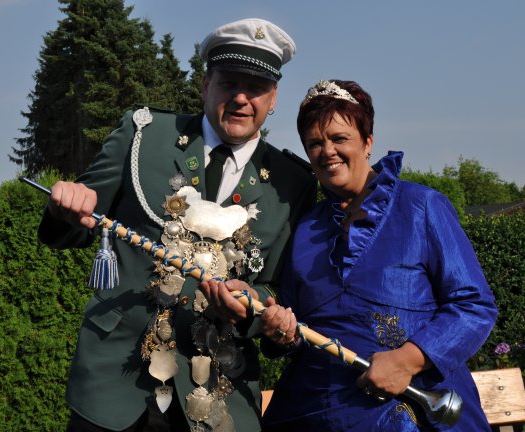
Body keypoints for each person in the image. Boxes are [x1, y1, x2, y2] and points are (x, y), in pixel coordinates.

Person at [36, 18, 316, 432]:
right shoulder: (143, 135)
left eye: (256, 87)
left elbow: (279, 289)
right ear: (205, 86)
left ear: (273, 98)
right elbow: (77, 224)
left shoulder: (293, 184)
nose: (241, 98)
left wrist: (250, 306)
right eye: (228, 83)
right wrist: (65, 207)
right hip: (114, 384)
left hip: (216, 392)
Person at [257, 79, 498, 431]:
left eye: (339, 138)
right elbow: (294, 324)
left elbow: (474, 306)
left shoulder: (421, 207)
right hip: (314, 415)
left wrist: (407, 360)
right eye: (315, 143)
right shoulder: (306, 228)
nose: (327, 151)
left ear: (368, 142)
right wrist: (282, 331)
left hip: (413, 411)